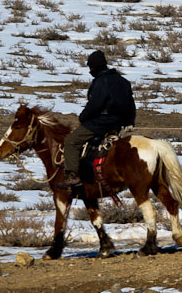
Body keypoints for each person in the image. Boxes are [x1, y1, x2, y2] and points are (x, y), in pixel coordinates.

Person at [57, 50, 136, 189]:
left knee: (71, 141)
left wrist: (83, 117)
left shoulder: (101, 82)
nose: (90, 70)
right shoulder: (123, 81)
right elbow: (131, 103)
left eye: (90, 67)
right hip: (119, 124)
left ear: (94, 67)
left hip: (100, 124)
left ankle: (72, 176)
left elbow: (94, 105)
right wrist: (130, 121)